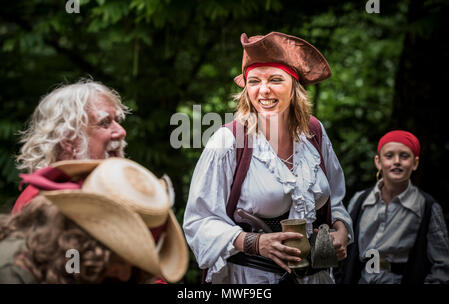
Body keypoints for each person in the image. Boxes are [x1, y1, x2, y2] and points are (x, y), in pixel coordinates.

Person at [183, 32, 354, 284]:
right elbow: (199, 221)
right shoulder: (228, 141)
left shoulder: (314, 133)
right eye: (254, 81)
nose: (263, 90)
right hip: (252, 279)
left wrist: (340, 228)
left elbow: (335, 198)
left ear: (294, 86)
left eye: (275, 79)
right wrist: (254, 242)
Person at [0, 158, 189, 284]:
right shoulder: (13, 272)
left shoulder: (78, 267)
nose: (124, 274)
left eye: (136, 264)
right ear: (84, 237)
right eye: (119, 258)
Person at [336, 130, 449, 284]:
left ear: (415, 163)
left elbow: (442, 265)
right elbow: (344, 252)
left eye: (404, 156)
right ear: (378, 162)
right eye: (389, 156)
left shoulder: (427, 207)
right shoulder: (360, 200)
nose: (396, 161)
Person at [13, 79, 128, 213]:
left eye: (117, 121)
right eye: (104, 123)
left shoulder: (108, 189)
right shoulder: (46, 201)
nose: (121, 132)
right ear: (69, 141)